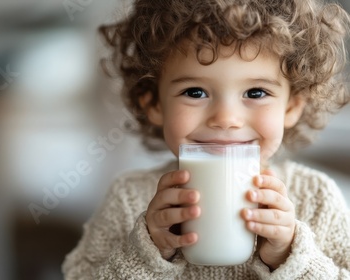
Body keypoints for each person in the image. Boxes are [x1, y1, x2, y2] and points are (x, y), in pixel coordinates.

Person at [62, 0, 350, 278]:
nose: (226, 118)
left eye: (256, 93)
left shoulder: (316, 199)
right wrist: (147, 250)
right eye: (195, 92)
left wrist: (289, 257)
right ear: (154, 104)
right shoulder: (128, 199)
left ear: (291, 106)